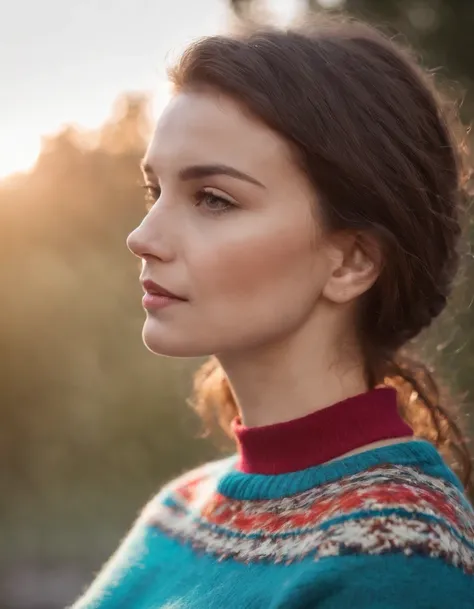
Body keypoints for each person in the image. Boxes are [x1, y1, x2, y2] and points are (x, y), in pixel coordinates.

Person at [70, 15, 474, 609]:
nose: (142, 236)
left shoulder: (401, 565)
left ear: (352, 262)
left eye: (213, 199)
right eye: (156, 192)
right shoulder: (182, 511)